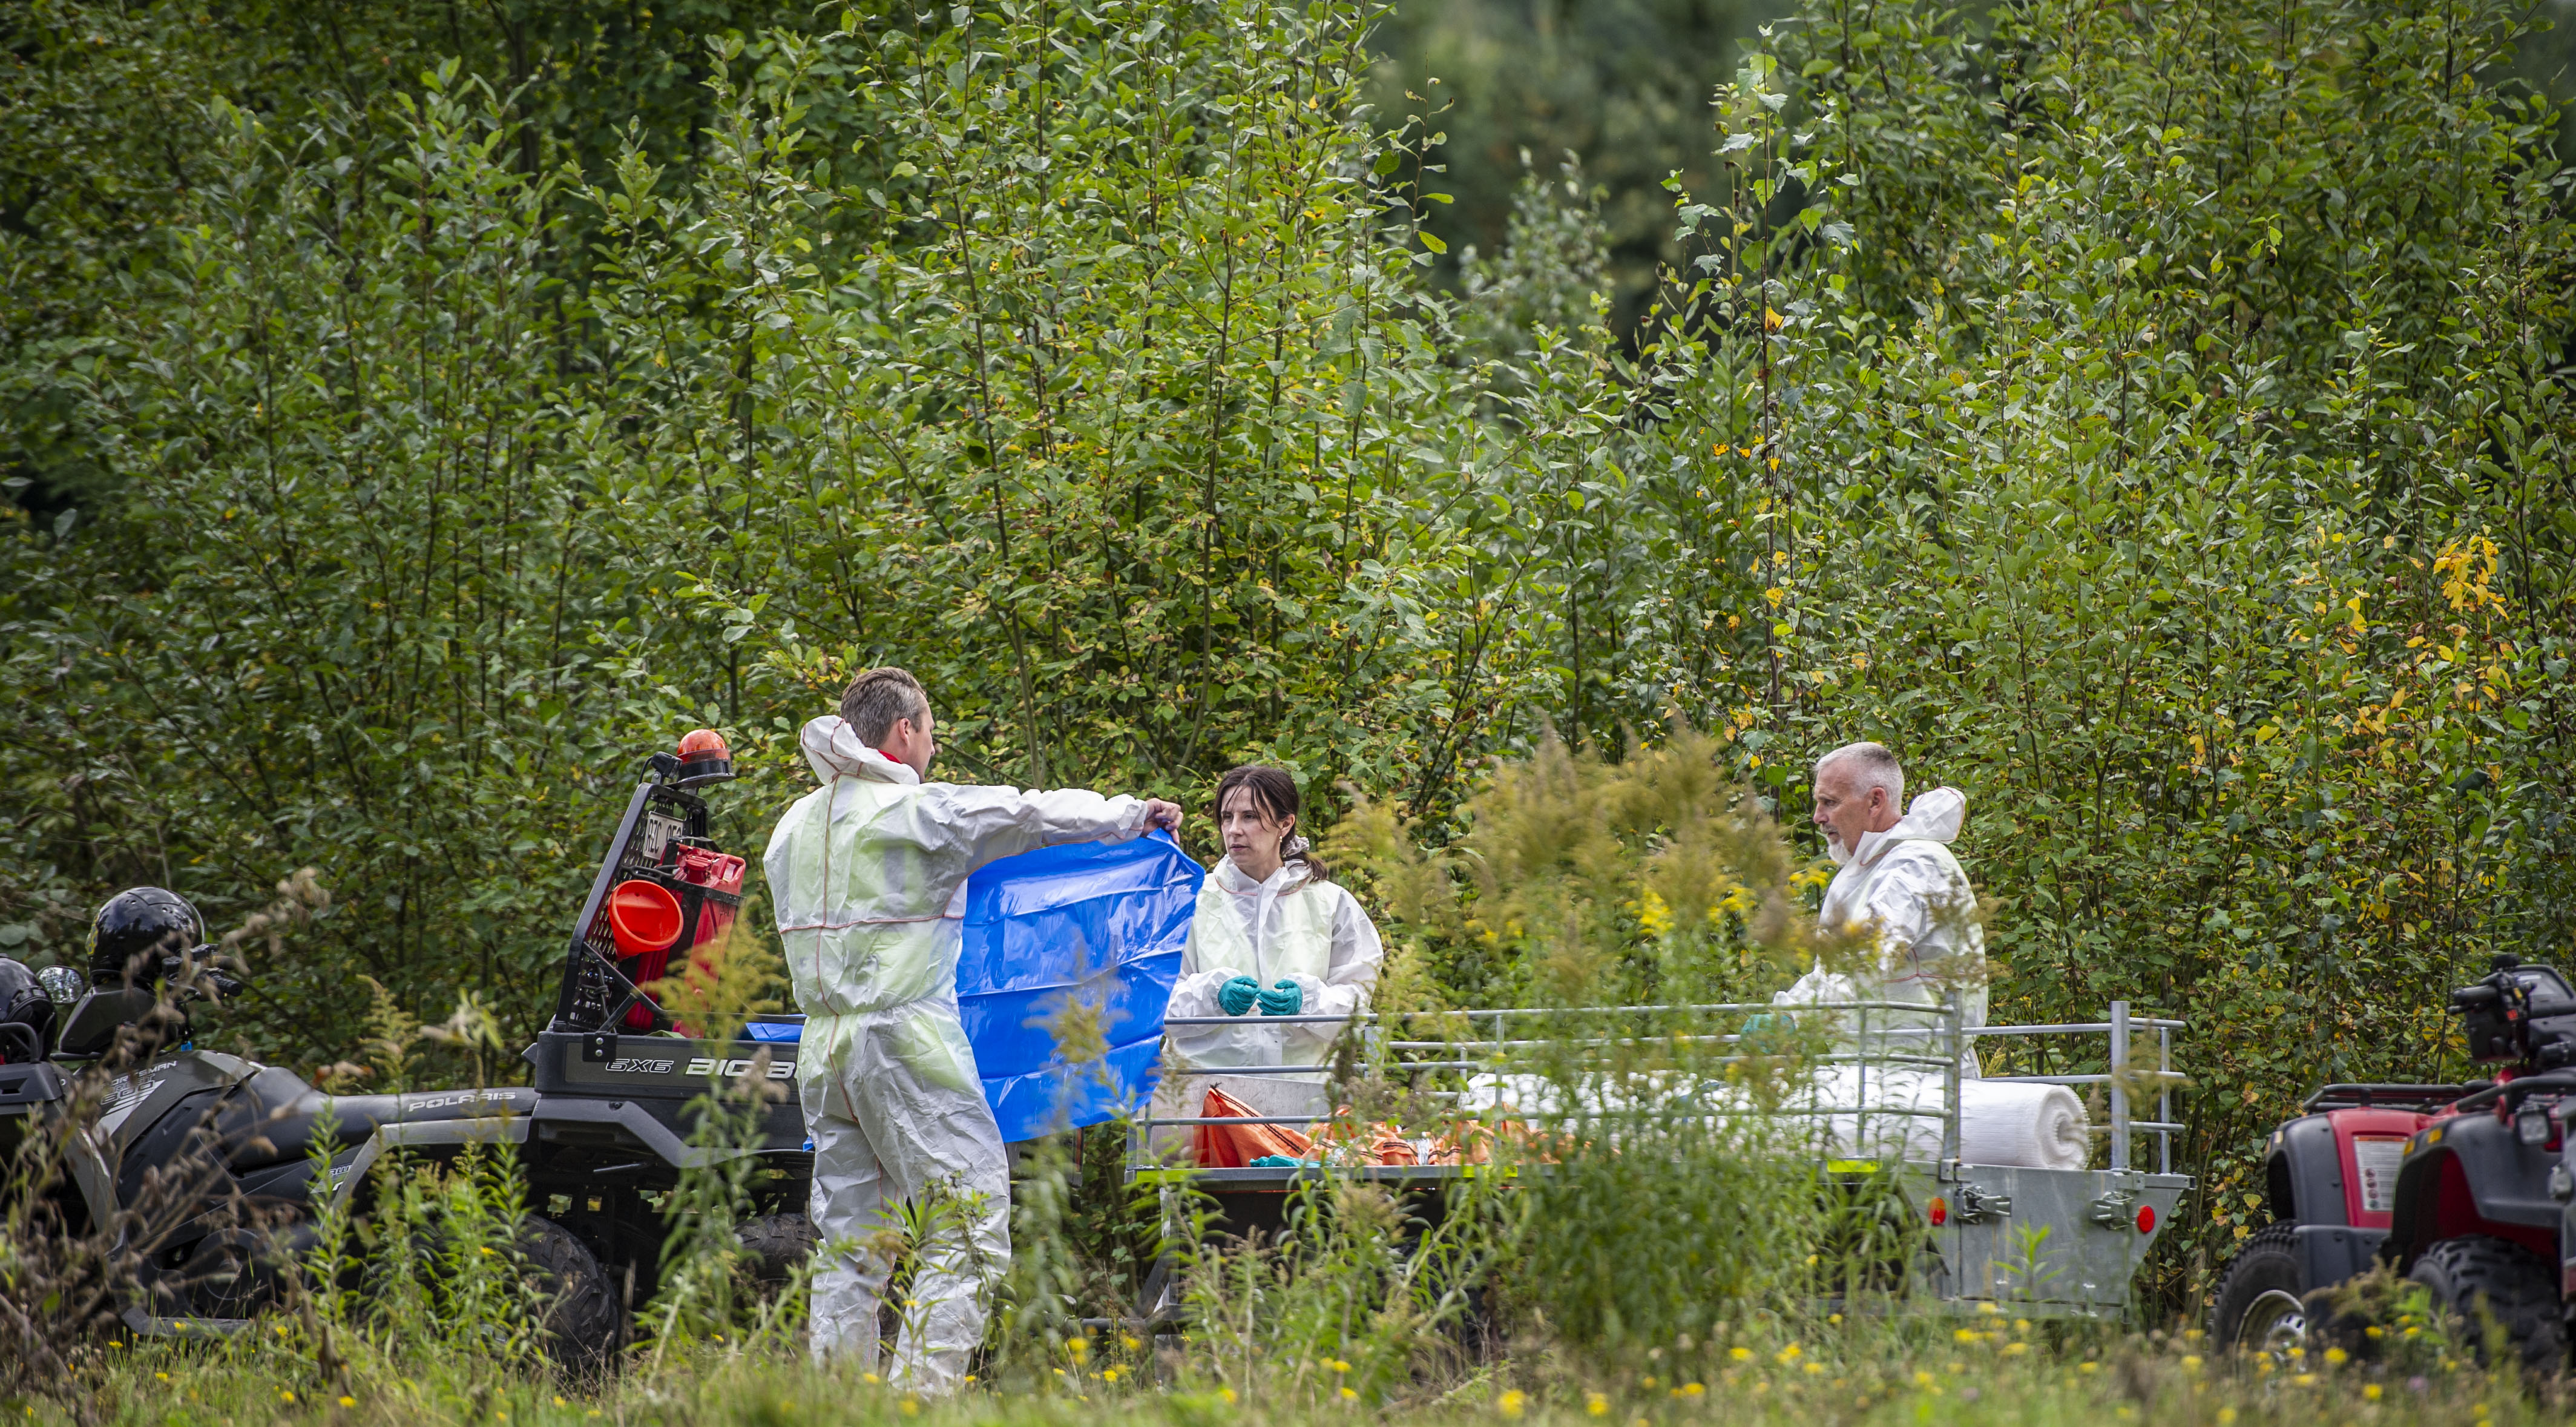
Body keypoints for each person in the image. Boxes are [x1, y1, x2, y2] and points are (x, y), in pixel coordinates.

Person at [764, 667, 1181, 1389]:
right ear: (906, 730)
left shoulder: (794, 825)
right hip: (906, 1042)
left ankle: (835, 1402)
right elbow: (1025, 815)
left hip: (824, 1047)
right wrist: (1127, 816)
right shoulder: (915, 815)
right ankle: (918, 1398)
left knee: (850, 1243)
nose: (932, 745)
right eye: (929, 729)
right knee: (968, 1225)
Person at [1157, 766, 1384, 1149]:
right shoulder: (1190, 901)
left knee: (1299, 1207)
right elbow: (1157, 1000)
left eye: (1249, 817)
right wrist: (1213, 996)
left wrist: (1309, 1003)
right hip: (1200, 1105)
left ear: (1285, 824)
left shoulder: (1329, 903)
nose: (1234, 830)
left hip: (1303, 1103)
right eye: (1227, 817)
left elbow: (1357, 1002)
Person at [1776, 741, 1987, 1071]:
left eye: (1829, 802)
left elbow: (1867, 956)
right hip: (1875, 1073)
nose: (1818, 817)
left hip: (1922, 1080)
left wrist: (1796, 1015)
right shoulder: (1874, 865)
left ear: (1875, 800)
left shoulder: (1915, 865)